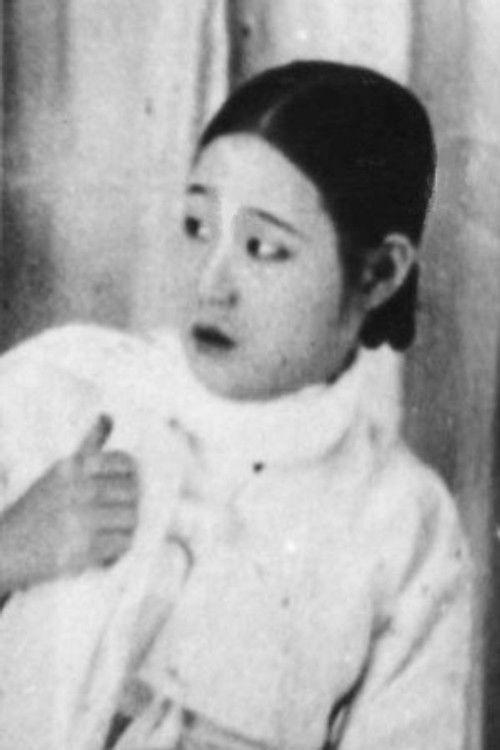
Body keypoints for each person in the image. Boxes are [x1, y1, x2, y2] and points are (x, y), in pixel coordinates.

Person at [0, 61, 471, 750]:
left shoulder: (405, 526)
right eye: (197, 226)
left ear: (379, 272)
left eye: (264, 248)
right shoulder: (62, 384)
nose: (211, 281)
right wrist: (10, 548)